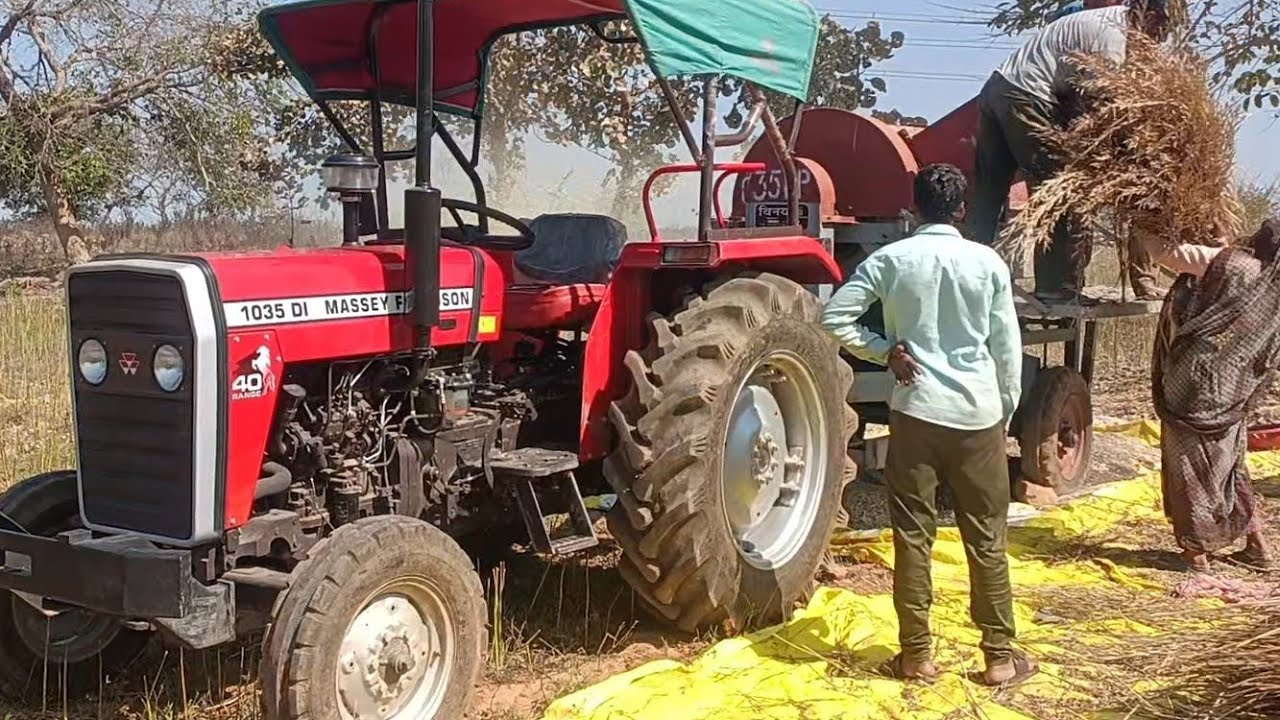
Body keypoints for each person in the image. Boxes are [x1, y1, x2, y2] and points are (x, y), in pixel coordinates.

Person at [820, 164, 1037, 687]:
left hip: (916, 412)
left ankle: (916, 657)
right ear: (962, 210)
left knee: (912, 537)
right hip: (978, 416)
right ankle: (999, 658)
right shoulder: (986, 263)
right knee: (986, 539)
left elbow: (834, 318)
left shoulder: (892, 259)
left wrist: (881, 352)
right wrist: (1003, 411)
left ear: (912, 209)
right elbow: (1006, 347)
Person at [971, 0, 1173, 301]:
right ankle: (1056, 288)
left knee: (988, 191)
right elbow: (1099, 112)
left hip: (996, 89)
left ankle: (966, 273)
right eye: (1154, 34)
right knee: (1063, 188)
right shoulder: (1114, 40)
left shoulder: (1102, 19)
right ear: (1146, 20)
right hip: (1027, 96)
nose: (1152, 43)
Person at [1153, 218, 1280, 573]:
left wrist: (1141, 224)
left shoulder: (1233, 264)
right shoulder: (1272, 280)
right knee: (1231, 467)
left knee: (1188, 467)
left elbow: (1169, 253)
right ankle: (1258, 546)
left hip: (1195, 384)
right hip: (1236, 387)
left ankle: (1196, 555)